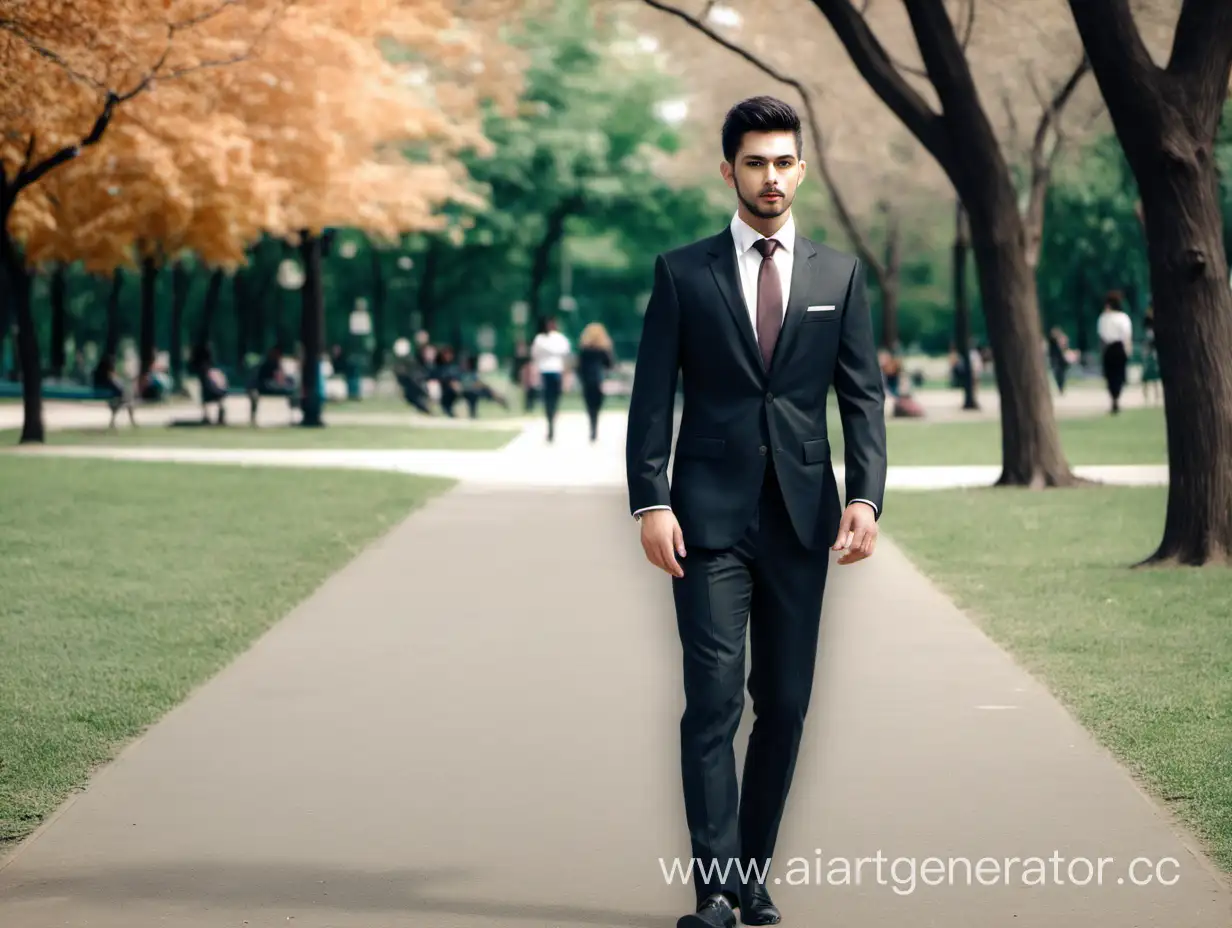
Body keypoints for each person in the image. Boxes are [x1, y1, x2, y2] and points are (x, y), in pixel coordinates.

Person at [625, 96, 887, 928]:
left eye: (782, 162)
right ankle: (712, 891)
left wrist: (866, 494)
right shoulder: (680, 272)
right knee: (712, 702)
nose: (769, 177)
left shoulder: (837, 274)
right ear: (729, 169)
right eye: (754, 162)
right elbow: (648, 401)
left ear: (799, 169)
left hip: (802, 521)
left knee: (786, 702)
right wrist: (650, 499)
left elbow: (863, 400)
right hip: (703, 521)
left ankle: (752, 876)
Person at [530, 315, 571, 441]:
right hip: (544, 371)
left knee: (555, 398)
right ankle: (550, 424)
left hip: (556, 371)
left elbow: (566, 358)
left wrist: (567, 375)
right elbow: (535, 357)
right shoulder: (539, 339)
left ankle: (553, 417)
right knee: (547, 399)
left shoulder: (560, 339)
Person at [577, 321, 614, 441]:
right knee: (597, 404)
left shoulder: (584, 350)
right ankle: (594, 426)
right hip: (599, 380)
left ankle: (592, 426)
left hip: (587, 380)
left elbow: (579, 367)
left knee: (589, 405)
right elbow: (609, 365)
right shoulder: (603, 351)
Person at [1097, 290, 1133, 414]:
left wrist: (1102, 352)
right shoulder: (1123, 318)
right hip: (1119, 347)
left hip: (1109, 348)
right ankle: (1116, 397)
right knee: (1119, 374)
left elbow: (1101, 337)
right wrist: (1128, 350)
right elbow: (1127, 336)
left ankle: (1114, 398)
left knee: (1110, 375)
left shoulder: (1103, 318)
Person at [1140, 305, 1160, 404]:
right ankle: (1148, 394)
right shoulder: (1148, 330)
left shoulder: (1150, 331)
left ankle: (1154, 394)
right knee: (1149, 374)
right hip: (1149, 351)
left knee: (1152, 373)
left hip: (1151, 351)